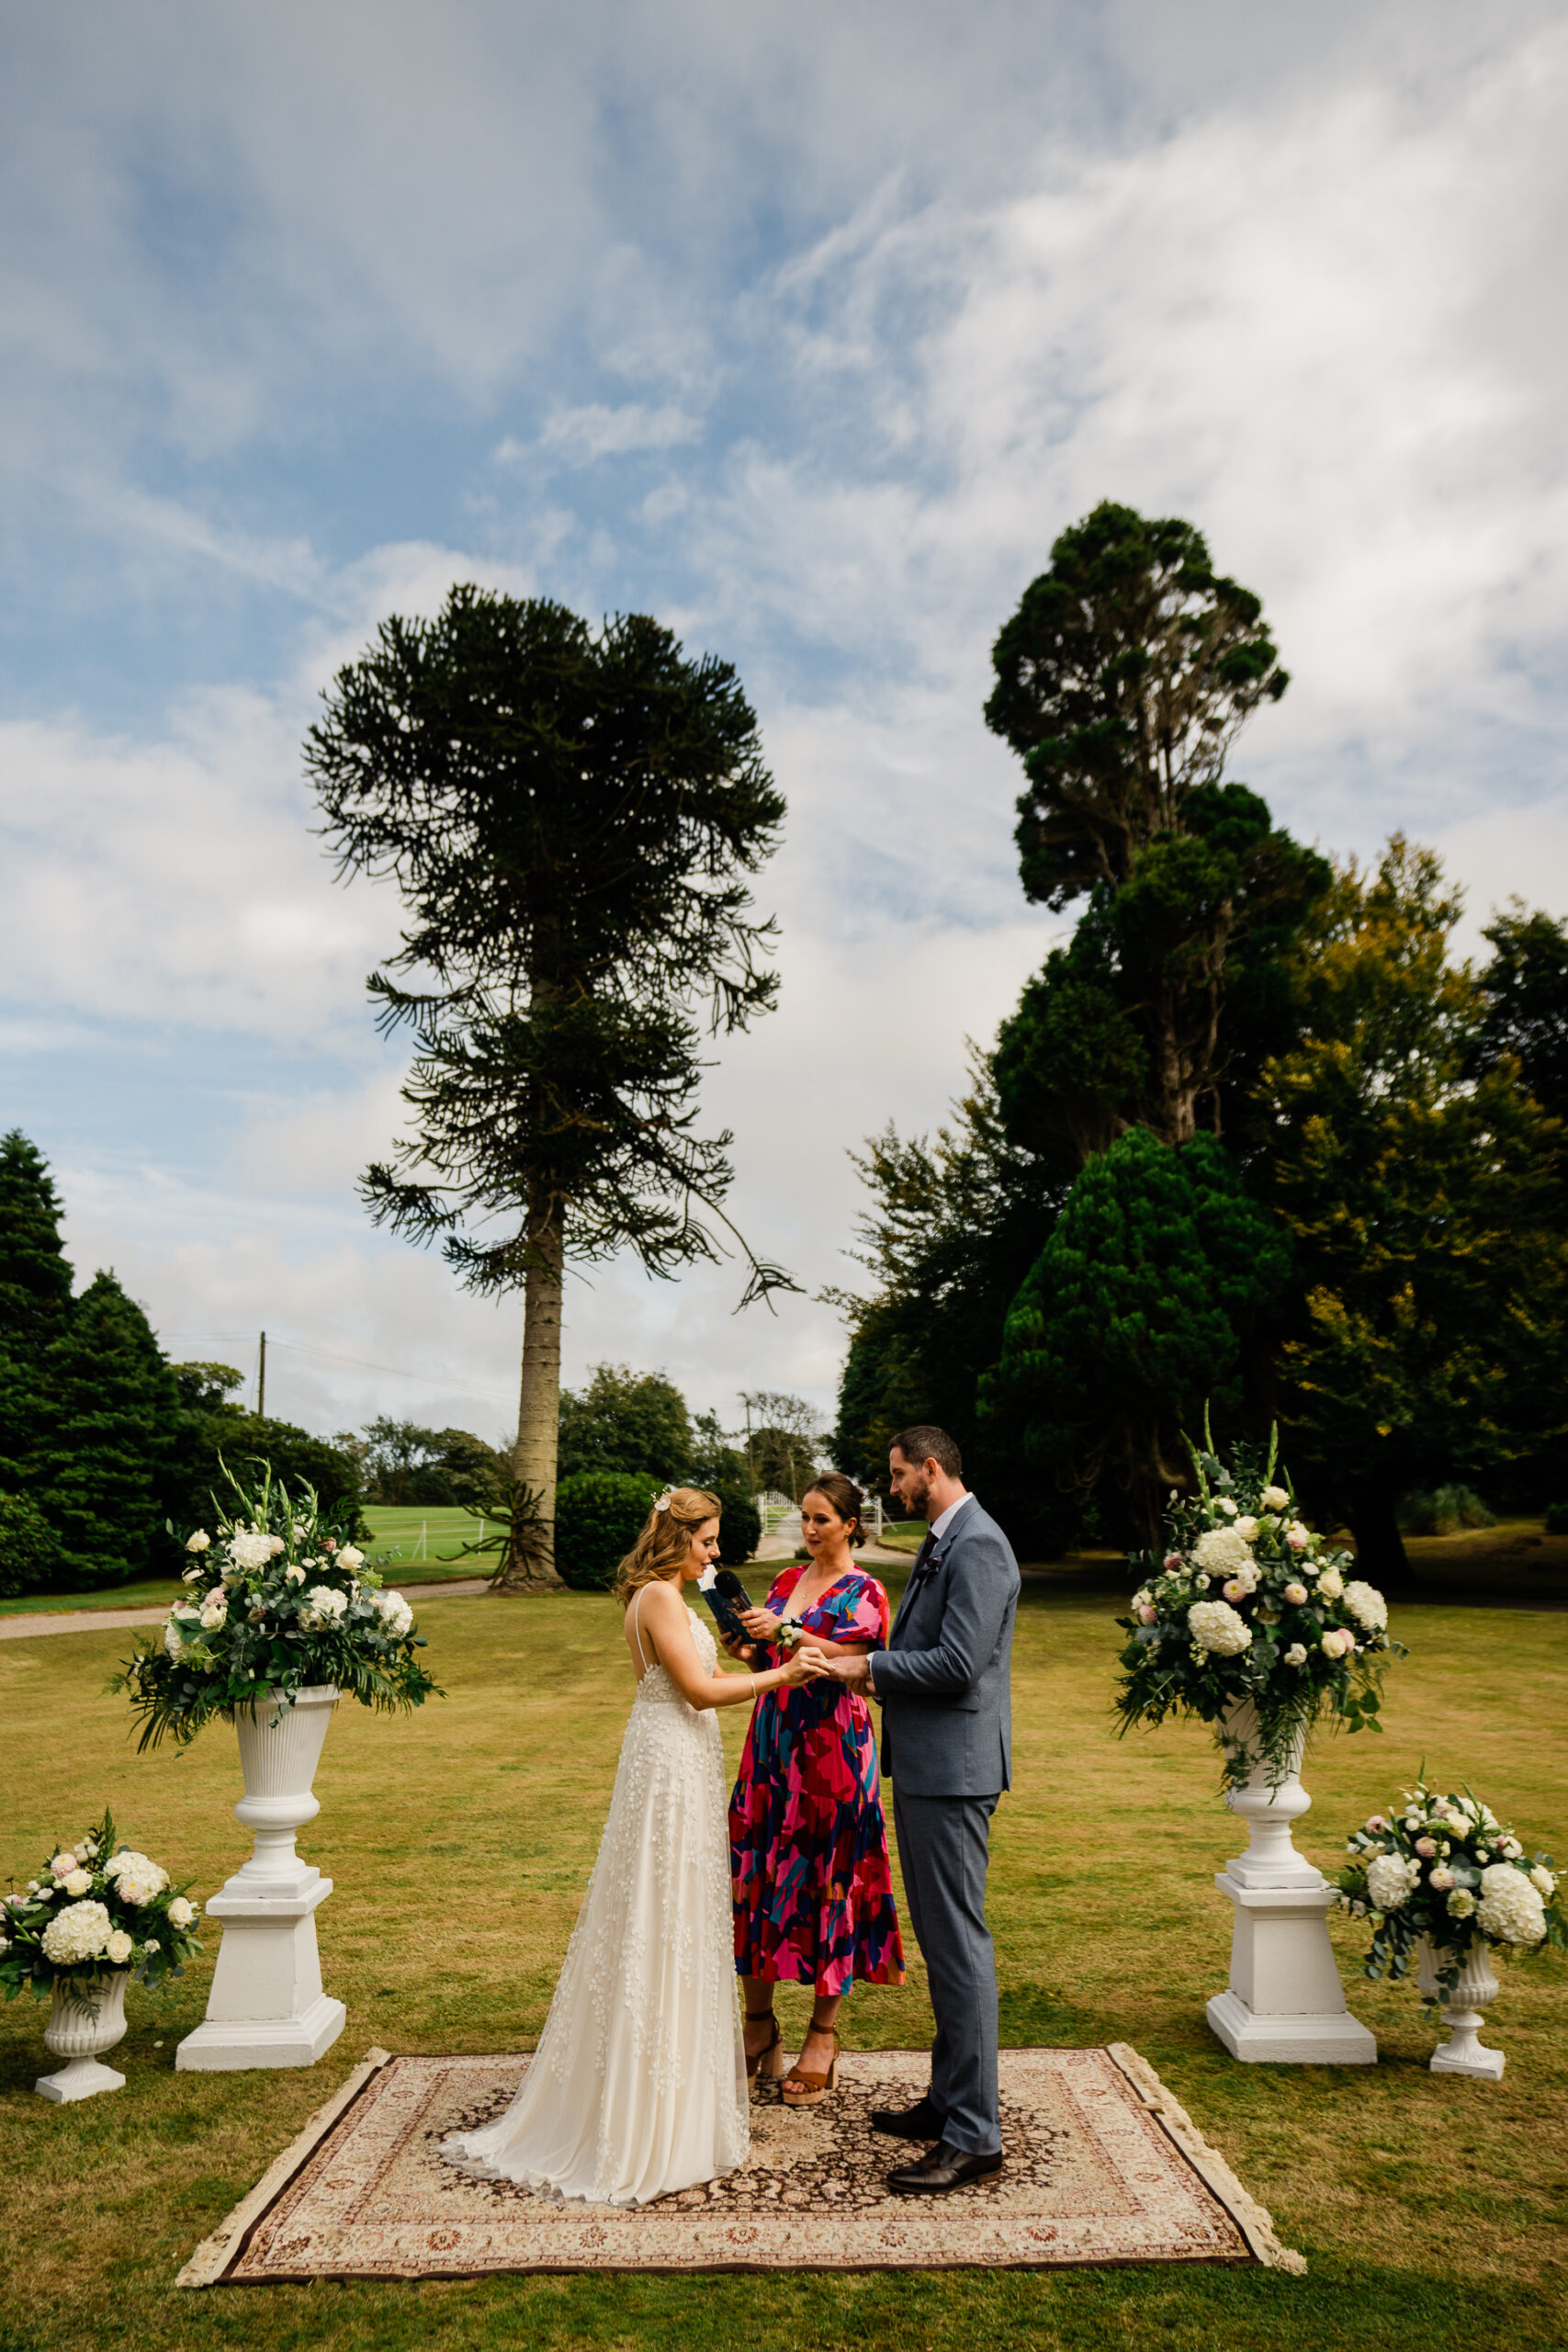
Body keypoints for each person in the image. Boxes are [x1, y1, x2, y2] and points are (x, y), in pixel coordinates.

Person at [441, 1486, 825, 2207]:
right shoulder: (655, 1597)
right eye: (707, 1540)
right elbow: (696, 1690)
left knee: (680, 1910)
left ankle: (672, 2083)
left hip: (676, 1755)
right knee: (661, 1908)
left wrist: (756, 1648)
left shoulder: (668, 1598)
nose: (715, 1553)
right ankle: (643, 2106)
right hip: (669, 1757)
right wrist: (784, 1674)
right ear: (677, 1537)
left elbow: (705, 1680)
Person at [823, 1426, 1019, 2195]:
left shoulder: (977, 1544)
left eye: (899, 1474)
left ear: (930, 1470)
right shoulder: (949, 1537)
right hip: (931, 1766)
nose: (892, 1486)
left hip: (953, 1771)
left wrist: (864, 1667)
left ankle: (974, 2136)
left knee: (957, 1943)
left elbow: (959, 1664)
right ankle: (948, 2102)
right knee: (942, 1941)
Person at [727, 1473, 905, 2104]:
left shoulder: (866, 1591)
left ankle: (822, 2035)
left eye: (821, 1519)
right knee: (757, 1874)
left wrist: (786, 1634)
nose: (808, 1529)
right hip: (771, 1748)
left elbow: (847, 1665)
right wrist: (747, 1648)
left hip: (832, 1755)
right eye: (803, 1517)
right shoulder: (782, 1583)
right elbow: (771, 1663)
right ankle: (757, 2025)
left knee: (830, 1882)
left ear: (850, 1524)